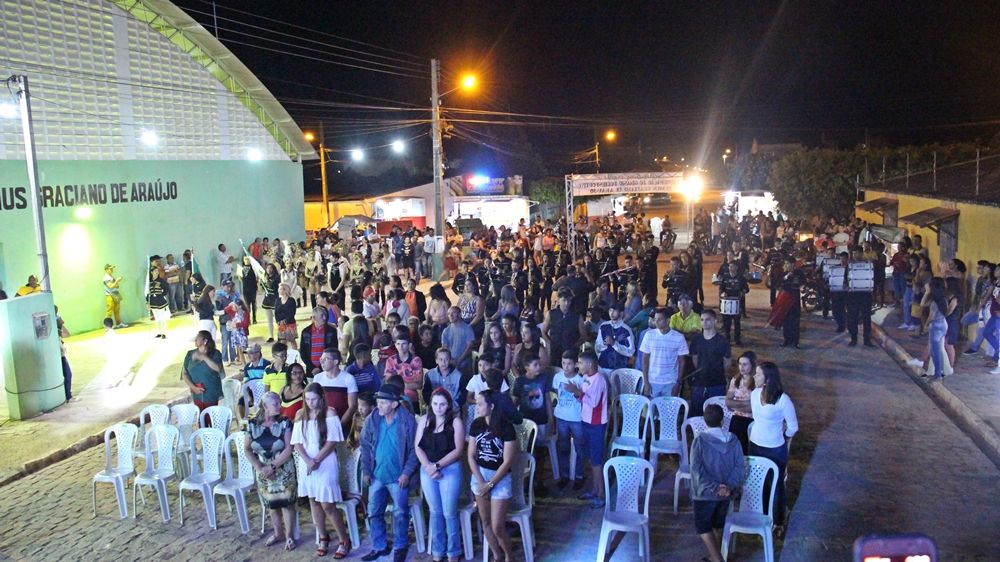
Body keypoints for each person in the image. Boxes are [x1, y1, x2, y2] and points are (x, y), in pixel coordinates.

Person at [360, 382, 419, 562]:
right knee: (374, 511)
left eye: (383, 402)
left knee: (400, 513)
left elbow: (414, 450)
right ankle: (380, 546)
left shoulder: (407, 420)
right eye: (378, 401)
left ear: (394, 404)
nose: (378, 405)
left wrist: (406, 473)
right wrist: (366, 470)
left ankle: (400, 545)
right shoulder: (373, 418)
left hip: (398, 477)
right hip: (377, 475)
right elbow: (365, 445)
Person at [292, 383, 352, 558]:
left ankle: (343, 539)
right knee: (314, 501)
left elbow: (332, 441)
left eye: (314, 399)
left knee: (327, 504)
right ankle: (323, 537)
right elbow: (297, 442)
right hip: (306, 462)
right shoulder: (300, 414)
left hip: (325, 461)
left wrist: (316, 459)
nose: (310, 403)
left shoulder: (329, 413)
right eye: (307, 399)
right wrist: (307, 460)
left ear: (321, 398)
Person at [414, 388, 466, 562]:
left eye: (442, 404)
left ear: (448, 405)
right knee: (435, 512)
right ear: (430, 404)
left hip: (449, 469)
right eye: (435, 404)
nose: (438, 408)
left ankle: (453, 552)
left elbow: (458, 450)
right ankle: (438, 550)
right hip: (427, 468)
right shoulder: (424, 420)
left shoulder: (456, 422)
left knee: (449, 512)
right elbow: (418, 447)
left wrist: (437, 466)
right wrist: (428, 467)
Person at [467, 389, 518, 562]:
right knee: (486, 521)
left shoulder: (506, 427)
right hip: (480, 474)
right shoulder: (476, 424)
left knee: (497, 526)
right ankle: (497, 555)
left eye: (480, 404)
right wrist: (481, 482)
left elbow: (507, 461)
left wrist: (489, 484)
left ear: (492, 406)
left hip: (500, 477)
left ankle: (509, 556)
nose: (477, 407)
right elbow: (471, 456)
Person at [749, 362, 798, 535]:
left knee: (775, 485)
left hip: (774, 448)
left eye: (758, 374)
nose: (754, 376)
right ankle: (761, 515)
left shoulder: (783, 400)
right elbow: (756, 417)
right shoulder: (754, 394)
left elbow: (793, 426)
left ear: (768, 379)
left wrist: (783, 436)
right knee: (758, 482)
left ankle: (777, 521)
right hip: (755, 444)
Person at [691, 404, 745, 562]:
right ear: (722, 421)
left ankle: (716, 558)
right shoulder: (734, 440)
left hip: (704, 494)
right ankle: (715, 556)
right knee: (718, 525)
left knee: (703, 528)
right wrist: (728, 486)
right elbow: (740, 467)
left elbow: (696, 470)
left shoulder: (699, 441)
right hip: (726, 494)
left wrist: (715, 487)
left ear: (704, 421)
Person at [245, 392, 297, 551]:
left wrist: (272, 467)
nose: (279, 406)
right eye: (275, 404)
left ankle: (289, 536)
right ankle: (278, 533)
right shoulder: (253, 424)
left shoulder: (284, 422)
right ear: (265, 406)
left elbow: (289, 448)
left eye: (279, 403)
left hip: (283, 468)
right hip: (262, 470)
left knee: (287, 504)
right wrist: (260, 467)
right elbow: (247, 449)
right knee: (271, 504)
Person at [566, 350, 608, 508]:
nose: (578, 365)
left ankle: (601, 495)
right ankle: (595, 490)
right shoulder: (585, 377)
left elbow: (594, 402)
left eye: (580, 362)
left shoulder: (599, 380)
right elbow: (582, 397)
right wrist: (576, 393)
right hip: (585, 421)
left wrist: (576, 392)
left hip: (596, 424)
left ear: (589, 364)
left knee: (596, 460)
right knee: (591, 458)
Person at [512, 353, 554, 495]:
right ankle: (526, 480)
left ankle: (538, 480)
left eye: (539, 364)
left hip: (541, 419)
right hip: (526, 422)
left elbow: (547, 399)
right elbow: (515, 401)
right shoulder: (520, 382)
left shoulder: (544, 378)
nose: (539, 367)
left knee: (541, 451)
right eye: (535, 365)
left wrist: (550, 418)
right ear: (526, 367)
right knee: (527, 451)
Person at [552, 350, 586, 490]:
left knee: (580, 448)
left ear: (576, 365)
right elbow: (557, 394)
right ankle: (564, 475)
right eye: (563, 363)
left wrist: (576, 391)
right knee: (563, 447)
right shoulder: (558, 377)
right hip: (561, 417)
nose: (566, 366)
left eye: (569, 364)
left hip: (576, 418)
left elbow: (584, 398)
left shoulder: (580, 380)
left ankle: (579, 476)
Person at [689, 310, 732, 416]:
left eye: (708, 319)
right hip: (699, 383)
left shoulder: (722, 341)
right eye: (702, 320)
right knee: (697, 412)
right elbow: (695, 359)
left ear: (715, 321)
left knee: (716, 414)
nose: (704, 322)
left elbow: (727, 363)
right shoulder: (696, 340)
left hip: (717, 383)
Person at [640, 307, 689, 398]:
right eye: (655, 319)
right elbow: (645, 359)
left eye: (659, 319)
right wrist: (646, 382)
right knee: (651, 407)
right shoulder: (649, 335)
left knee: (669, 407)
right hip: (652, 381)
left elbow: (682, 362)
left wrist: (678, 383)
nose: (656, 322)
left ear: (668, 320)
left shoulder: (679, 337)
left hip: (670, 382)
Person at [312, 348, 358, 432]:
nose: (322, 362)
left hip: (343, 424)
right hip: (321, 424)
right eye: (321, 359)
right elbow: (314, 403)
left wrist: (339, 426)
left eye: (326, 359)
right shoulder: (317, 378)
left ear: (335, 362)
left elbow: (352, 406)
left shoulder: (348, 378)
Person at [181, 330, 225, 411]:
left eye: (198, 338)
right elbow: (184, 373)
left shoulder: (215, 353)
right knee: (200, 415)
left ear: (205, 341)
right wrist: (193, 387)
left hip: (211, 392)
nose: (195, 340)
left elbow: (218, 368)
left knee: (210, 414)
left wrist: (203, 357)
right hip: (196, 392)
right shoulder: (190, 354)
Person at [543, 288, 587, 367]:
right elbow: (544, 332)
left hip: (571, 352)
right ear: (558, 300)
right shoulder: (551, 314)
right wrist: (549, 343)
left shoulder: (577, 316)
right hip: (555, 351)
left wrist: (574, 346)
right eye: (564, 300)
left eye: (569, 300)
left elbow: (583, 336)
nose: (566, 303)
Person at [383, 334, 424, 409]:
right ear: (395, 345)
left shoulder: (416, 360)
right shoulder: (390, 360)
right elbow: (388, 383)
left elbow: (419, 385)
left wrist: (398, 385)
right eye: (398, 344)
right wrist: (408, 384)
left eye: (404, 344)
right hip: (394, 397)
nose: (400, 347)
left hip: (411, 398)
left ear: (409, 345)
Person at [300, 306, 338, 376]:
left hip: (328, 370)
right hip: (311, 371)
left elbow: (334, 350)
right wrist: (312, 368)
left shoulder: (331, 331)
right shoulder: (306, 332)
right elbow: (303, 352)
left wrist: (320, 368)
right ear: (314, 318)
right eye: (322, 315)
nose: (325, 318)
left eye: (325, 315)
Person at [718, 260, 749, 346]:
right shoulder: (725, 277)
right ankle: (727, 339)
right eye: (729, 266)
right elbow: (721, 288)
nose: (730, 268)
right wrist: (722, 293)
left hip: (737, 303)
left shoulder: (741, 278)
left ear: (736, 267)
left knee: (737, 323)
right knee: (727, 323)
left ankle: (737, 339)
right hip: (727, 303)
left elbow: (747, 289)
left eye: (732, 266)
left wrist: (742, 292)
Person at [441, 306, 476, 376]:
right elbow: (444, 348)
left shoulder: (467, 328)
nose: (450, 315)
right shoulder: (446, 331)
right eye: (449, 313)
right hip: (450, 362)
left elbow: (469, 347)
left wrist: (459, 360)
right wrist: (450, 360)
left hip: (464, 363)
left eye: (453, 313)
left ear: (459, 314)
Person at [147, 267, 170, 339]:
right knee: (157, 318)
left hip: (161, 301)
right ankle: (159, 332)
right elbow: (147, 293)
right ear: (151, 272)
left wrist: (161, 295)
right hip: (153, 302)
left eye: (157, 271)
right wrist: (147, 302)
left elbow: (166, 289)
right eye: (155, 271)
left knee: (162, 317)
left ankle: (164, 333)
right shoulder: (149, 281)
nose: (157, 272)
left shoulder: (161, 280)